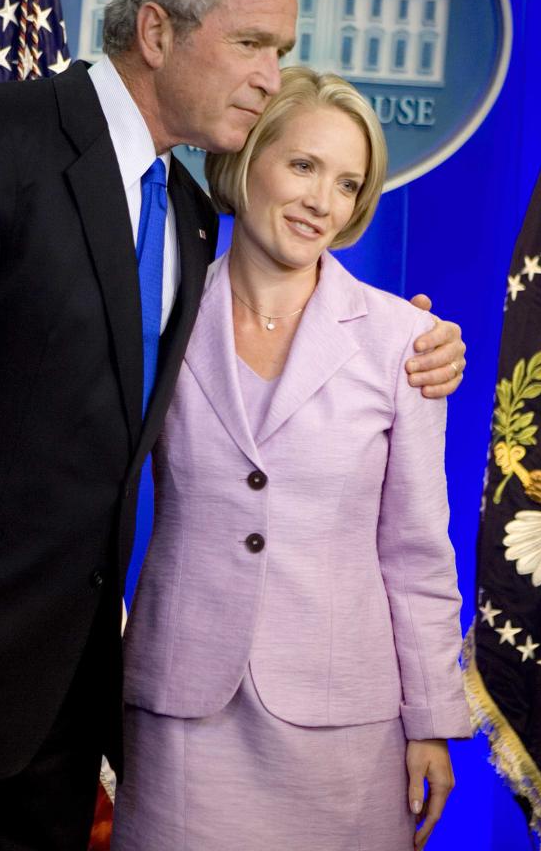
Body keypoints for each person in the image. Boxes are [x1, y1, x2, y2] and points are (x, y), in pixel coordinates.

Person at [0, 0, 465, 850]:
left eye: (281, 50)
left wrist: (409, 343)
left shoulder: (194, 226)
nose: (269, 75)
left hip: (69, 709)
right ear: (157, 31)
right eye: (251, 43)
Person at [112, 66, 471, 851]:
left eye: (347, 184)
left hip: (346, 727)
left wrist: (433, 721)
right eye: (304, 166)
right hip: (181, 711)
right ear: (247, 160)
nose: (321, 201)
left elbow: (416, 553)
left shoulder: (402, 342)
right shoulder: (160, 315)